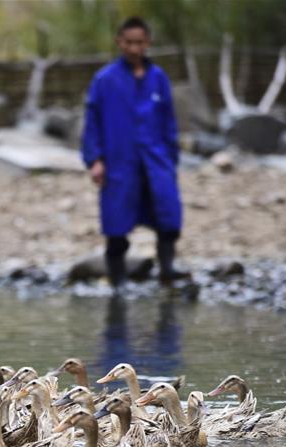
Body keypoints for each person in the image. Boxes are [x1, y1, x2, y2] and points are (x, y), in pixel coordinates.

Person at [81, 16, 190, 289]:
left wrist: (171, 156)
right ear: (119, 42)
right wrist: (95, 159)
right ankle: (117, 282)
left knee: (168, 214)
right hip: (120, 160)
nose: (133, 48)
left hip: (156, 159)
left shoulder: (158, 78)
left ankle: (167, 271)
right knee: (116, 222)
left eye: (139, 43)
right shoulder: (104, 80)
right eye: (128, 43)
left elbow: (168, 121)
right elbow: (92, 121)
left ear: (148, 43)